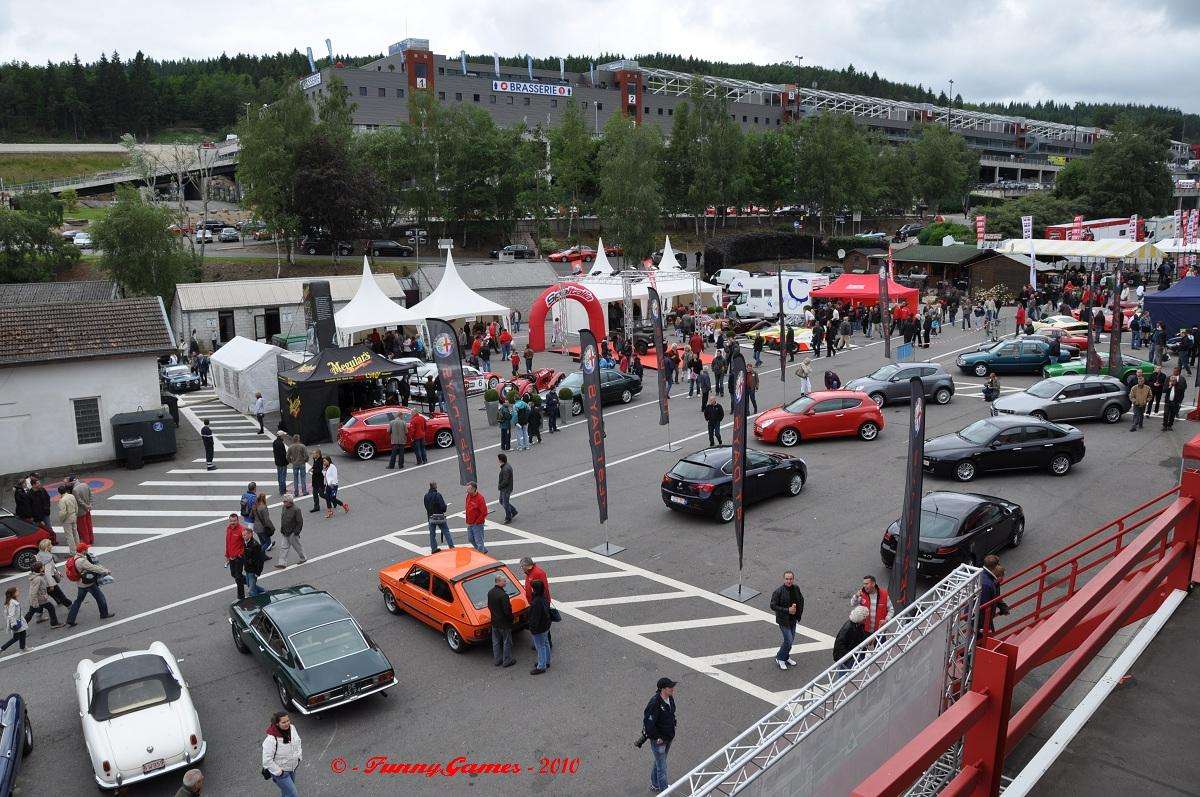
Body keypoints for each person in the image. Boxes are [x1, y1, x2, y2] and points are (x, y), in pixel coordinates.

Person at [65, 543, 114, 626]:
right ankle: (104, 614)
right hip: (88, 584)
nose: (87, 550)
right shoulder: (82, 561)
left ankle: (70, 619)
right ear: (83, 551)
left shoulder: (75, 558)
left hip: (80, 584)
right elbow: (93, 568)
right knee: (100, 597)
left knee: (78, 601)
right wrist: (106, 571)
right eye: (86, 549)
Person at [643, 677, 677, 793]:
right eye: (670, 687)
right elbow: (648, 723)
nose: (672, 689)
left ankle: (655, 784)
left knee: (659, 762)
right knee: (662, 768)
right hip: (660, 741)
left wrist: (674, 723)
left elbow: (672, 713)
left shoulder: (669, 698)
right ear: (663, 689)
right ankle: (664, 792)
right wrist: (657, 738)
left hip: (668, 737)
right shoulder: (655, 703)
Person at [769, 571, 804, 670]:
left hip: (793, 620)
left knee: (790, 640)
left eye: (791, 579)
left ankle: (785, 656)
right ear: (783, 579)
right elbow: (773, 605)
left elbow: (801, 600)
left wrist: (798, 612)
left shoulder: (796, 588)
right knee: (788, 640)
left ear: (793, 579)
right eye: (787, 579)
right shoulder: (778, 591)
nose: (789, 581)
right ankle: (780, 658)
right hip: (784, 621)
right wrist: (787, 610)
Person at [262, 711, 302, 797]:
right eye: (283, 722)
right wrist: (279, 772)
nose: (287, 723)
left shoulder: (292, 728)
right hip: (281, 773)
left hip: (293, 767)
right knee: (293, 794)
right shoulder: (271, 740)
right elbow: (267, 760)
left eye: (288, 720)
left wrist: (299, 756)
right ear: (277, 724)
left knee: (287, 792)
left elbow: (298, 742)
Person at [832, 606, 870, 675]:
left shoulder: (855, 625)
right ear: (861, 618)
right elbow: (840, 646)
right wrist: (848, 657)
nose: (866, 620)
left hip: (851, 656)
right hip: (848, 658)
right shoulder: (849, 629)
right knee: (844, 677)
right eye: (865, 618)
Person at [488, 574, 516, 668]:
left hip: (494, 622)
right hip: (504, 623)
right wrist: (511, 619)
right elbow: (507, 611)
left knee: (495, 641)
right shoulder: (503, 595)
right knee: (506, 641)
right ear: (498, 582)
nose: (506, 582)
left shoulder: (490, 592)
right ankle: (507, 660)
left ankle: (497, 659)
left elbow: (489, 606)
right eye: (504, 581)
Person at [25, 563, 63, 628]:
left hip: (38, 598)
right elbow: (33, 592)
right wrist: (35, 602)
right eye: (42, 567)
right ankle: (54, 624)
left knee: (30, 613)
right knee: (51, 608)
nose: (44, 567)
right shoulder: (38, 579)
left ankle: (20, 626)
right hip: (40, 598)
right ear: (39, 569)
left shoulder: (38, 576)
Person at [527, 579, 552, 675]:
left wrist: (532, 629)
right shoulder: (543, 597)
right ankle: (546, 661)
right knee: (545, 644)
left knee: (540, 646)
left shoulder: (536, 602)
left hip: (539, 628)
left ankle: (541, 666)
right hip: (546, 625)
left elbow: (535, 618)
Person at [275, 494, 305, 568]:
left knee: (297, 547)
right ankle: (282, 563)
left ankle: (303, 558)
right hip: (285, 532)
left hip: (292, 533)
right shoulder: (284, 507)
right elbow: (283, 518)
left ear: (290, 502)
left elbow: (300, 522)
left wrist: (296, 532)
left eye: (285, 501)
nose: (283, 503)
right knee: (283, 548)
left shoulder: (296, 510)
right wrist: (282, 528)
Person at [424, 482, 454, 552]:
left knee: (432, 534)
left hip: (431, 517)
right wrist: (445, 507)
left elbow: (426, 507)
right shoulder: (438, 495)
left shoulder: (426, 496)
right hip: (439, 516)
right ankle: (451, 546)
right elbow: (443, 507)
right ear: (435, 486)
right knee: (446, 531)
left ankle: (434, 548)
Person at [224, 514, 246, 600]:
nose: (232, 523)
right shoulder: (229, 528)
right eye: (231, 521)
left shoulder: (242, 530)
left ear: (238, 520)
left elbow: (247, 544)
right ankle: (250, 582)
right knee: (234, 574)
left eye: (234, 521)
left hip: (238, 558)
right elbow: (228, 543)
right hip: (231, 557)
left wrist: (241, 554)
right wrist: (227, 555)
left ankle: (241, 597)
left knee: (238, 577)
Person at [241, 525, 267, 597]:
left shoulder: (255, 546)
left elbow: (260, 560)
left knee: (251, 590)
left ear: (250, 534)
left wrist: (258, 572)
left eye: (245, 535)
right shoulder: (245, 543)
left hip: (253, 571)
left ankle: (256, 602)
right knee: (251, 585)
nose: (243, 537)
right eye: (242, 535)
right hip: (247, 569)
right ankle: (265, 592)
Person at [1, 588, 27, 655]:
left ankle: (2, 649)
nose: (19, 592)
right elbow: (11, 615)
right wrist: (14, 624)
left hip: (17, 621)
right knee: (21, 635)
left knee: (17, 637)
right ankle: (23, 649)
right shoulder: (12, 603)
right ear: (13, 593)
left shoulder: (11, 601)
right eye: (17, 591)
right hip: (16, 622)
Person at [70, 475, 94, 545]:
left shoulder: (75, 490)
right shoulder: (85, 484)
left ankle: (86, 541)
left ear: (72, 482)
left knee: (83, 528)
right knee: (89, 524)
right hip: (88, 509)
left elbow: (79, 501)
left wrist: (85, 506)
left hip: (81, 511)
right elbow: (90, 494)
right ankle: (91, 539)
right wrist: (89, 504)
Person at [465, 482, 489, 553]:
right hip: (470, 522)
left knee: (479, 541)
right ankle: (483, 550)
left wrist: (478, 522)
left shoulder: (480, 498)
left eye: (469, 489)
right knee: (471, 539)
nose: (467, 491)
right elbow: (467, 506)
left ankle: (481, 554)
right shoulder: (468, 495)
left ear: (474, 489)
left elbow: (484, 512)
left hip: (477, 524)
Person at [57, 484, 79, 552]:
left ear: (59, 492)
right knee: (75, 532)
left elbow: (63, 512)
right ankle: (79, 548)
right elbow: (76, 505)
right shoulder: (71, 496)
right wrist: (76, 513)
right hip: (73, 515)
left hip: (67, 518)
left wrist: (61, 520)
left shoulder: (62, 500)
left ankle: (73, 552)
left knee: (69, 535)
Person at [498, 454, 518, 524]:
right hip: (505, 488)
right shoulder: (506, 466)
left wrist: (500, 486)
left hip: (506, 489)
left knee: (505, 503)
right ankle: (513, 511)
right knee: (501, 501)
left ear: (500, 460)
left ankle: (508, 517)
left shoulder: (505, 469)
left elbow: (505, 481)